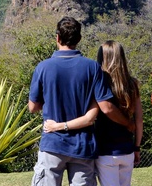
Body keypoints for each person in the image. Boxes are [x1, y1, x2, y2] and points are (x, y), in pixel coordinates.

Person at [28, 17, 134, 186]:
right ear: (79, 39)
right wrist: (128, 123)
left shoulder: (43, 67)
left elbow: (33, 107)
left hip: (52, 144)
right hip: (82, 146)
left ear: (57, 38)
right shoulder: (92, 68)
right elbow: (105, 107)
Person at [43, 40, 143, 186]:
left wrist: (58, 126)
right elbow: (139, 119)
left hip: (106, 151)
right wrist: (136, 147)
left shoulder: (99, 83)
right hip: (127, 150)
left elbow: (99, 112)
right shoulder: (132, 84)